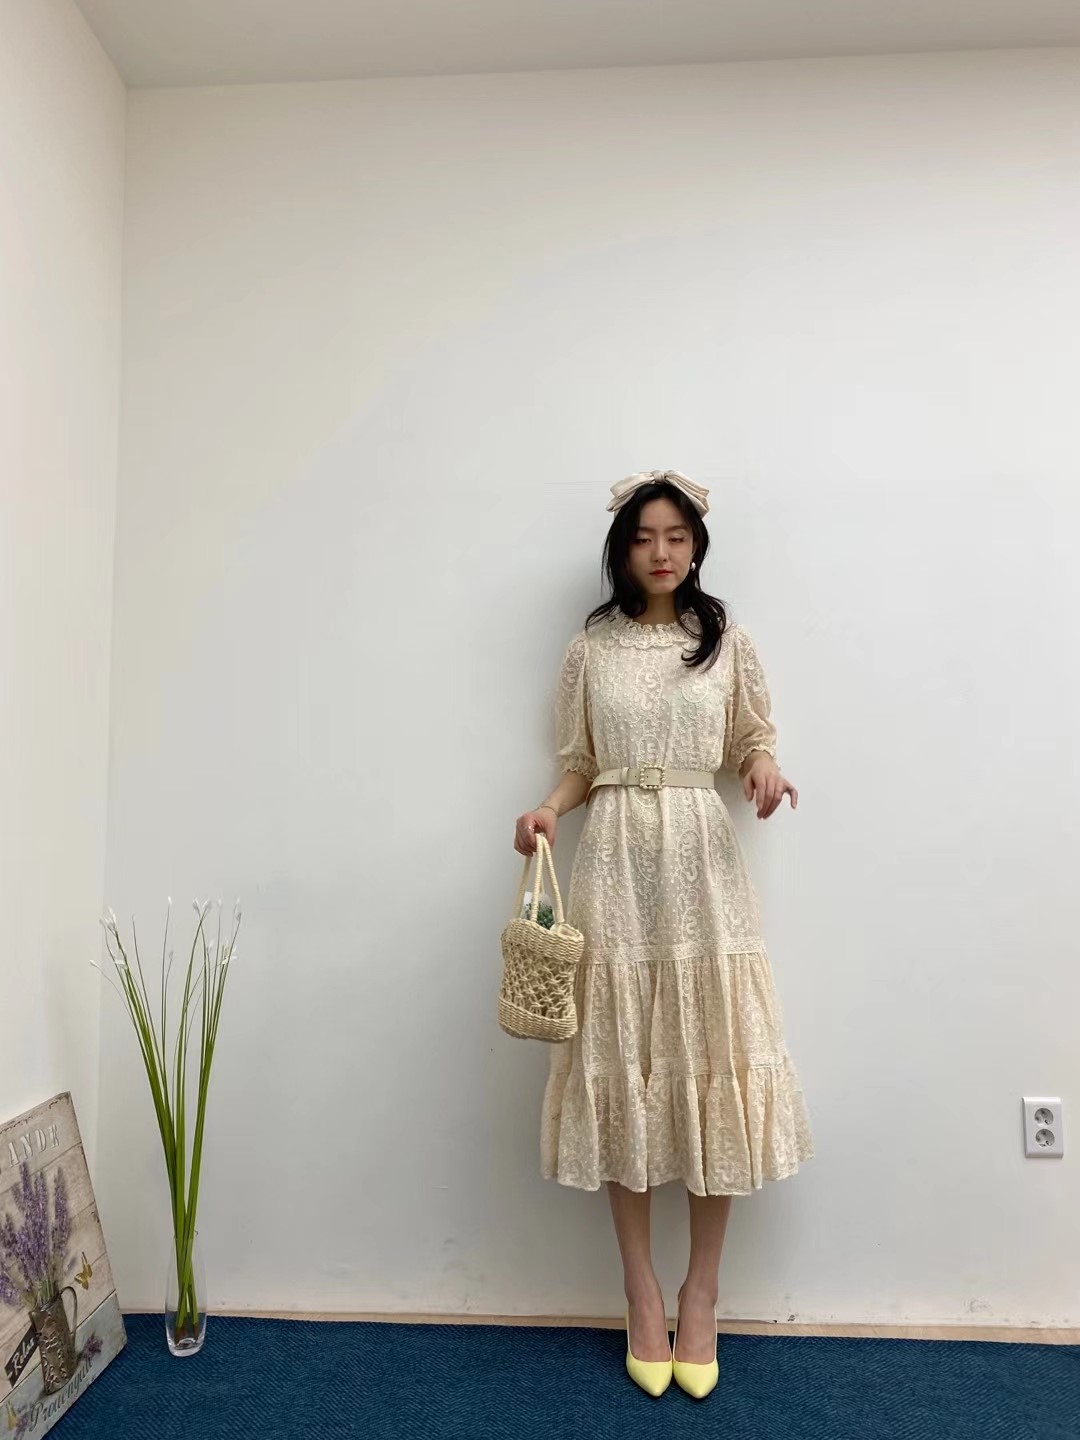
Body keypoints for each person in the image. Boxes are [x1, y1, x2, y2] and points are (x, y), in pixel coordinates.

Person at [513, 470, 814, 1399]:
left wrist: (762, 769)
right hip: (613, 865)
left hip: (701, 866)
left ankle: (702, 1292)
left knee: (712, 1057)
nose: (661, 551)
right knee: (626, 1064)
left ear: (695, 546)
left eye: (676, 536)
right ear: (623, 548)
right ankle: (641, 1293)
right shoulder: (591, 649)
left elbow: (752, 739)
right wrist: (548, 809)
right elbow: (579, 760)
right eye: (645, 536)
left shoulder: (727, 642)